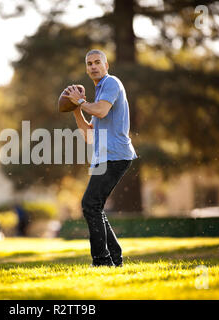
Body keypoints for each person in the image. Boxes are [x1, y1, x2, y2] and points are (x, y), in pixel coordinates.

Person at [64, 49, 138, 267]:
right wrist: (75, 109)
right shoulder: (99, 93)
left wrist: (80, 103)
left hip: (115, 155)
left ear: (106, 65)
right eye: (89, 64)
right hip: (104, 156)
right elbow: (88, 135)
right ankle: (114, 257)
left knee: (90, 204)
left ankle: (102, 261)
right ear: (86, 69)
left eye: (97, 62)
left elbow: (102, 111)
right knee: (94, 206)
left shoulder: (112, 83)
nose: (93, 66)